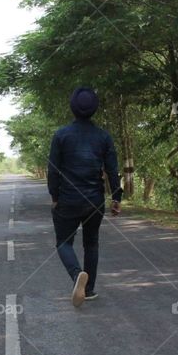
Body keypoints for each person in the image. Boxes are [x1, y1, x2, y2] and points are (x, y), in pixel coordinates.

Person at [47, 87, 123, 307]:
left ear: (73, 108)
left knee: (63, 242)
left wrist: (54, 195)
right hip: (94, 201)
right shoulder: (103, 136)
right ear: (94, 109)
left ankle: (77, 275)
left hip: (67, 200)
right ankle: (88, 290)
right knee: (91, 243)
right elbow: (112, 169)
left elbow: (53, 170)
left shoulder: (61, 135)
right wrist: (116, 198)